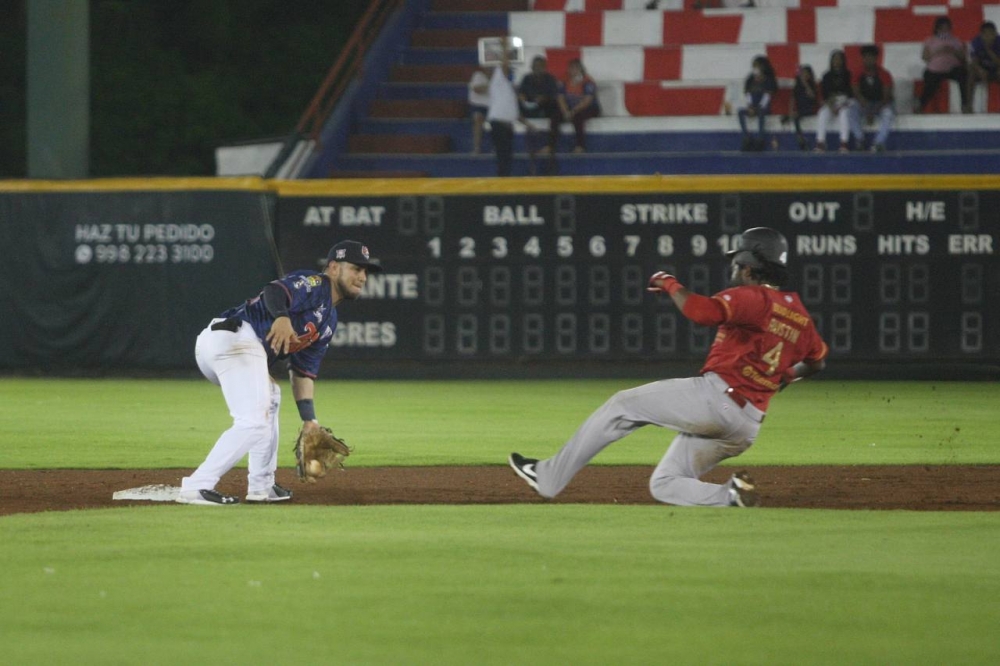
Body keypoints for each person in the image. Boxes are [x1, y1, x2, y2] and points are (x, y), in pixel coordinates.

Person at [509, 227, 828, 508]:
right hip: (746, 426)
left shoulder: (754, 297)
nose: (735, 268)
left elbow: (701, 311)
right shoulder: (800, 316)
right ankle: (729, 496)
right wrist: (787, 376)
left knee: (621, 405)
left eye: (737, 263)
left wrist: (669, 283)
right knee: (664, 483)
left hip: (716, 400)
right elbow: (818, 361)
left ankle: (549, 478)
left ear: (749, 266)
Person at [177, 240, 382, 505]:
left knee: (271, 398)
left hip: (237, 349)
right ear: (333, 267)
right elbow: (274, 290)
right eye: (356, 268)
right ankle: (196, 485)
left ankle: (261, 486)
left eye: (366, 272)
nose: (362, 277)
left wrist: (311, 421)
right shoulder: (315, 283)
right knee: (253, 419)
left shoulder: (328, 321)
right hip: (234, 338)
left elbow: (303, 372)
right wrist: (282, 317)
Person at [487, 41, 531, 176]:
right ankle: (502, 181)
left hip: (506, 127)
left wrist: (529, 125)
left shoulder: (509, 91)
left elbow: (515, 114)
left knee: (506, 156)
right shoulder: (499, 80)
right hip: (499, 125)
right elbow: (504, 65)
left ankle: (504, 178)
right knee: (503, 156)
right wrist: (504, 47)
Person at [918, 16, 970, 113]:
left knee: (963, 75)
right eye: (942, 28)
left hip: (952, 70)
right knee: (930, 82)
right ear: (937, 29)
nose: (945, 30)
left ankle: (965, 105)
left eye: (947, 28)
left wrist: (953, 51)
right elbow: (925, 57)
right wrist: (939, 51)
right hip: (935, 70)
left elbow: (963, 57)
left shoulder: (955, 40)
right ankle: (921, 106)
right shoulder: (930, 40)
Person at [850, 44, 895, 152]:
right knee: (850, 109)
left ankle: (878, 142)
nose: (868, 60)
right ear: (862, 58)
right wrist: (866, 108)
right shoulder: (857, 73)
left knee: (888, 114)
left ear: (876, 58)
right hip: (864, 103)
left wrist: (873, 111)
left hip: (880, 103)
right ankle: (859, 139)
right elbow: (856, 93)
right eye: (866, 57)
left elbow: (886, 97)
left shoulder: (884, 74)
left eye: (871, 57)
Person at [518, 56, 562, 155]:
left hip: (546, 106)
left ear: (544, 67)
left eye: (540, 66)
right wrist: (522, 98)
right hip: (530, 106)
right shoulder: (527, 78)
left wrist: (543, 98)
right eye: (535, 66)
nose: (537, 68)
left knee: (556, 113)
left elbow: (554, 95)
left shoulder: (550, 78)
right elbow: (521, 92)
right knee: (515, 106)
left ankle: (550, 146)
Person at [815, 50, 855, 152]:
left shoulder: (849, 74)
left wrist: (841, 105)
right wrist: (831, 106)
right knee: (822, 113)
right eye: (835, 59)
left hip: (846, 101)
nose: (837, 61)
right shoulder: (826, 75)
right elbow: (825, 95)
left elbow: (850, 93)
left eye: (839, 59)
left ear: (843, 61)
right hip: (831, 102)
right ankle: (820, 142)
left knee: (844, 114)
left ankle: (844, 143)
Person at [557, 59, 601, 153]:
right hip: (569, 107)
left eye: (576, 68)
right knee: (555, 115)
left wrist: (573, 111)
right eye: (571, 68)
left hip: (589, 108)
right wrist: (565, 111)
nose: (573, 71)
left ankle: (580, 145)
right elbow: (560, 98)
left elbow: (587, 101)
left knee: (578, 117)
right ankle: (550, 145)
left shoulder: (588, 82)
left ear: (581, 69)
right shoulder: (564, 81)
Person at [737, 55, 777, 151]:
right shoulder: (750, 79)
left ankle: (760, 139)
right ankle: (746, 137)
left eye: (757, 66)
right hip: (753, 106)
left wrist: (757, 107)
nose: (755, 68)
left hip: (763, 107)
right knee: (740, 112)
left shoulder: (768, 79)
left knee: (761, 112)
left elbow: (767, 96)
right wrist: (750, 106)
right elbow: (748, 94)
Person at [967, 21, 1000, 112]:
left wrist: (989, 50)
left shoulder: (999, 42)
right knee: (971, 73)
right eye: (986, 34)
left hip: (996, 69)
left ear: (995, 33)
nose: (989, 37)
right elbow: (974, 60)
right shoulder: (976, 42)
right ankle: (968, 105)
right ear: (981, 35)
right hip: (982, 69)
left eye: (992, 34)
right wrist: (980, 70)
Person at [785, 64, 819, 150]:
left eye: (806, 73)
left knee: (796, 116)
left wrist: (805, 84)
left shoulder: (812, 85)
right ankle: (800, 138)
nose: (804, 75)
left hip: (810, 109)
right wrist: (790, 111)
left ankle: (801, 139)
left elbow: (812, 96)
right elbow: (792, 99)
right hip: (800, 109)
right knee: (793, 117)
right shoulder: (797, 86)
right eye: (803, 73)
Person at [467, 66, 490, 154]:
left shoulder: (498, 77)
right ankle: (477, 147)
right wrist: (491, 86)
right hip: (477, 106)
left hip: (492, 107)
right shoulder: (477, 75)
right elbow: (477, 89)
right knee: (478, 118)